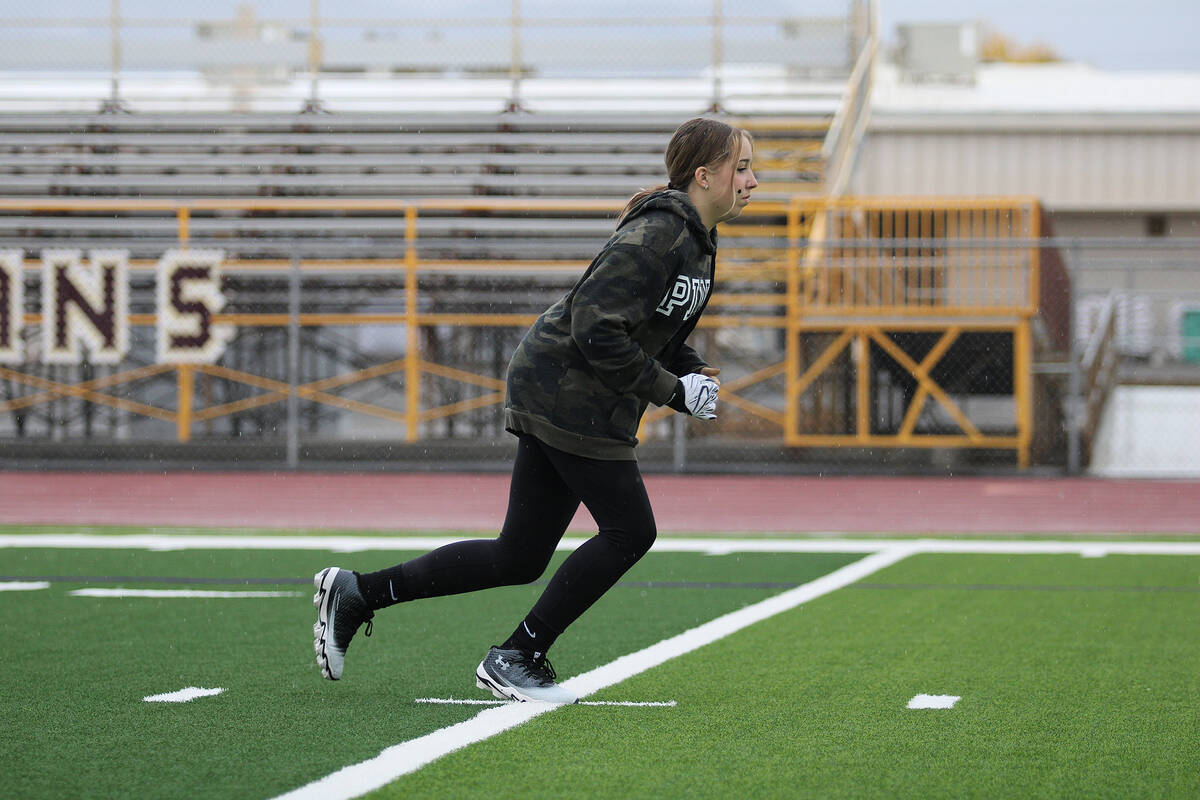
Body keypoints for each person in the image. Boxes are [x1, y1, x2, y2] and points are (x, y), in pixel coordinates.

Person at [312, 116, 758, 703]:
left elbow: (654, 324)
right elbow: (595, 326)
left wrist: (689, 367)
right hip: (567, 391)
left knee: (519, 555)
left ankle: (357, 593)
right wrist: (672, 392)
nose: (753, 180)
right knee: (630, 532)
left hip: (570, 389)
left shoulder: (698, 238)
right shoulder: (662, 234)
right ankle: (519, 654)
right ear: (705, 175)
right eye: (743, 166)